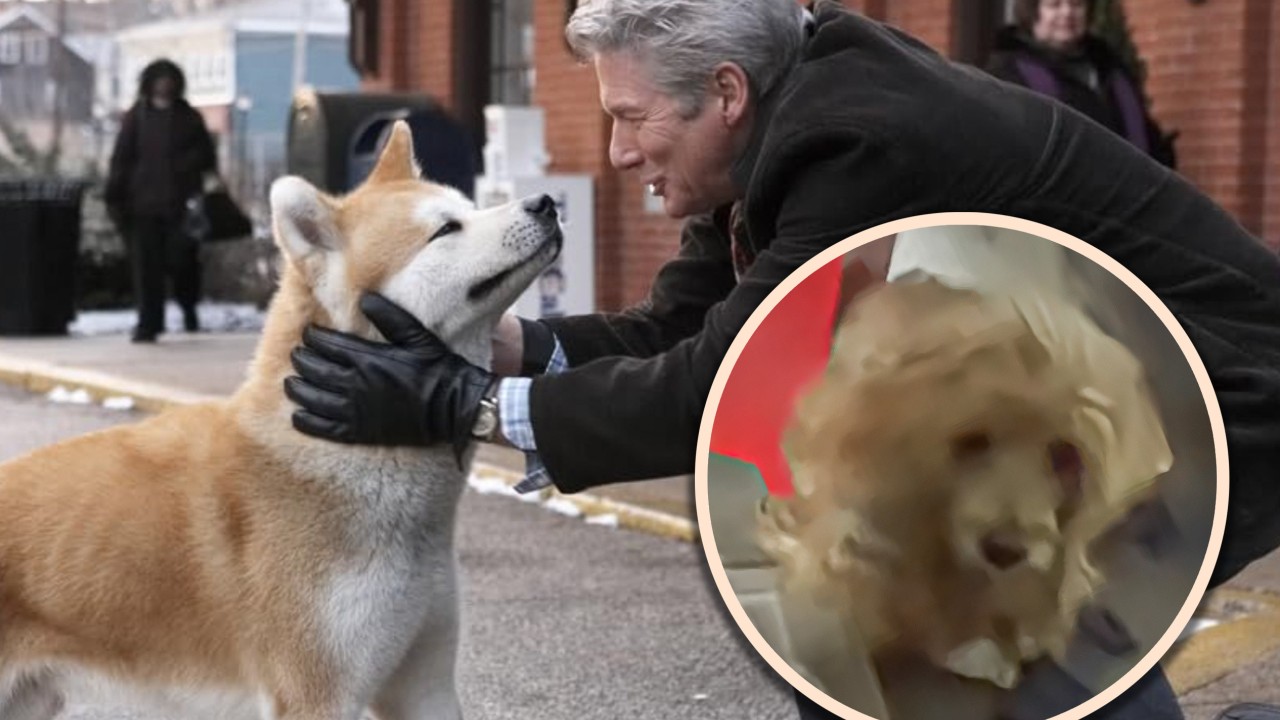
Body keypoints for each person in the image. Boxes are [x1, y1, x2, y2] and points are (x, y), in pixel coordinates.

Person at [284, 1, 1280, 718]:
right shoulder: (770, 131)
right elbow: (673, 333)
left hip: (1217, 398)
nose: (618, 150)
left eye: (628, 118)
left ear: (722, 93)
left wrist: (456, 406)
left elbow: (720, 386)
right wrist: (492, 348)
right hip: (1072, 397)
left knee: (989, 620)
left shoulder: (853, 142)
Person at [985, 0, 1178, 169]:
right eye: (1054, 5)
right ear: (1033, 12)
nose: (1067, 12)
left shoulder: (1110, 69)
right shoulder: (1008, 73)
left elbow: (1144, 134)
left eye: (1076, 4)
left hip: (1128, 199)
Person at [105, 58, 217, 344]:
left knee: (183, 263)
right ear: (149, 83)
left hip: (181, 207)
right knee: (146, 269)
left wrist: (186, 169)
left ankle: (188, 307)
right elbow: (122, 158)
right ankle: (149, 324)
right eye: (159, 79)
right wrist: (115, 194)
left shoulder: (189, 118)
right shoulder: (136, 118)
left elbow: (207, 158)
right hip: (142, 206)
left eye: (169, 79)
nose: (164, 85)